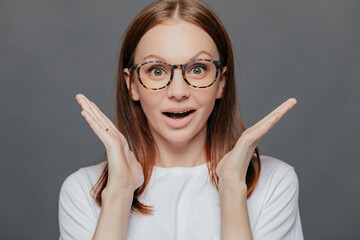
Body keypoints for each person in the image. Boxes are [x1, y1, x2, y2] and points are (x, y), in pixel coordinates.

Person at [58, 0, 304, 239]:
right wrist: (119, 192)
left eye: (198, 69)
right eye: (156, 70)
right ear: (132, 85)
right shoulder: (83, 190)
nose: (178, 92)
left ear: (222, 82)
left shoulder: (274, 183)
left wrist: (231, 187)